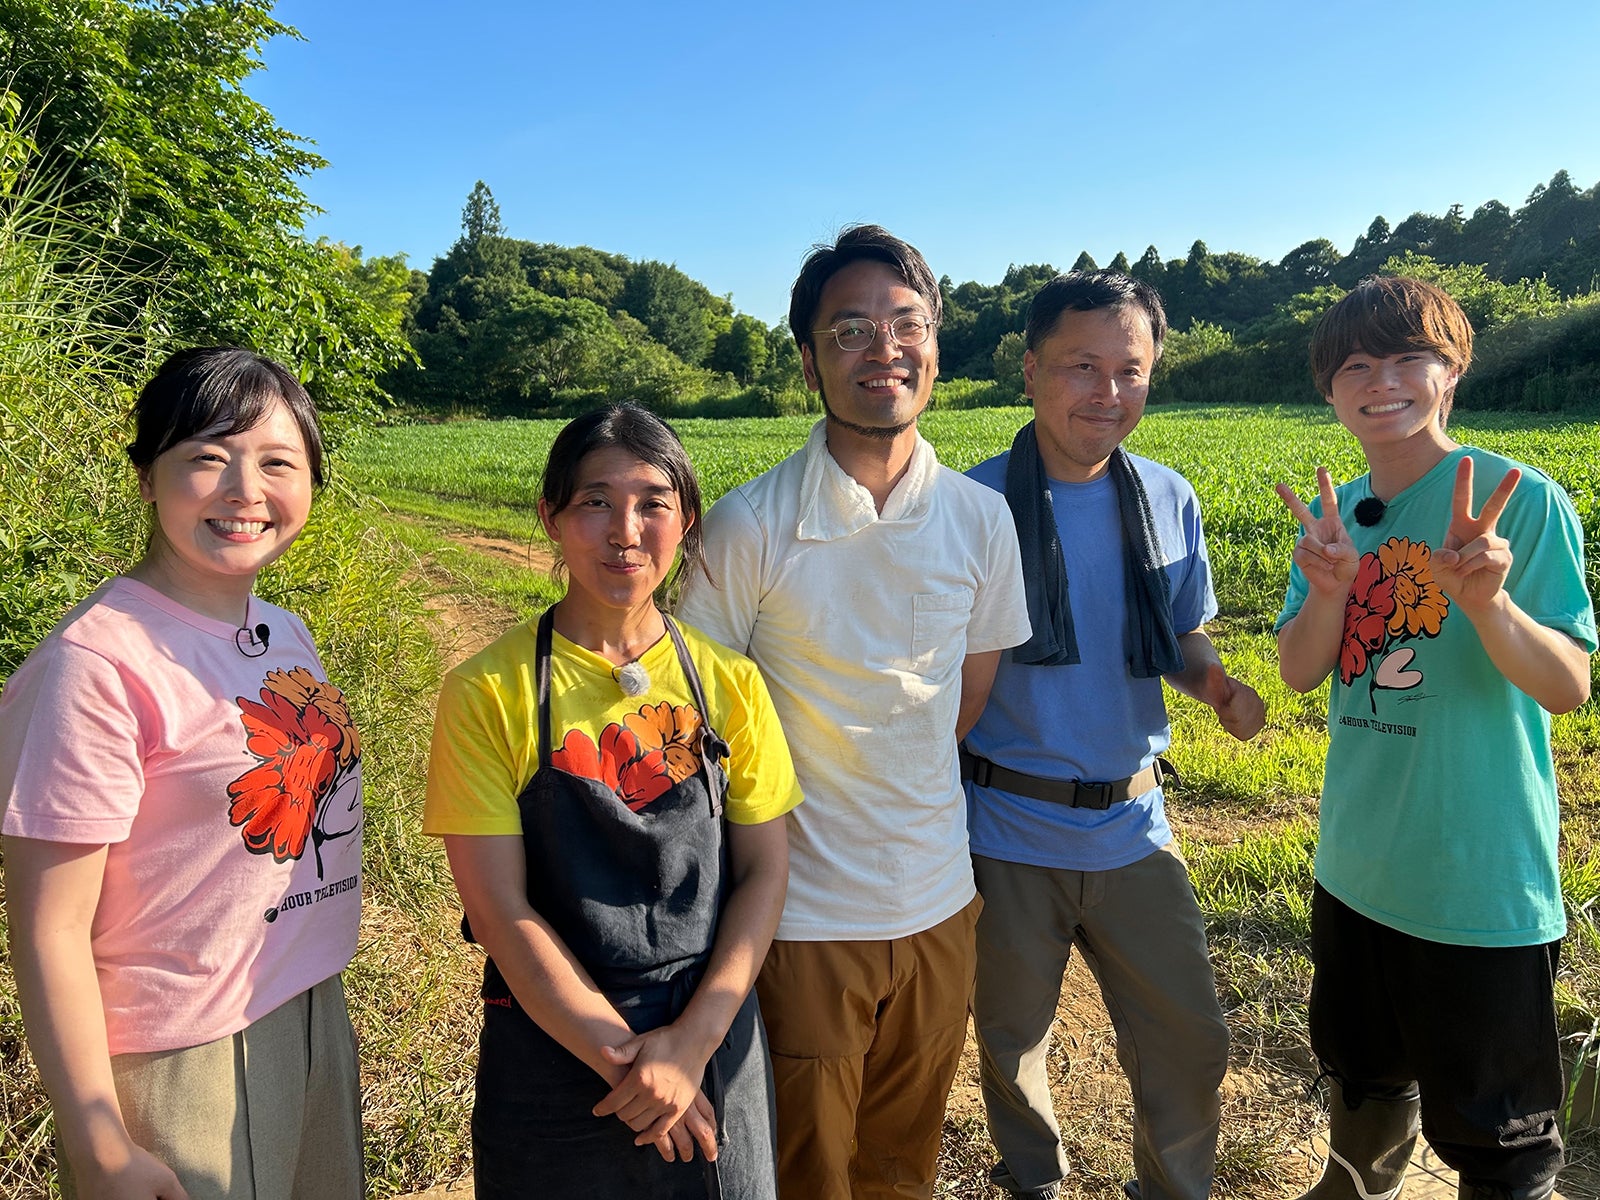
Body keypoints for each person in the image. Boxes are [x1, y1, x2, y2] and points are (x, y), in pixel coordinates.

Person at [676, 224, 1031, 1200]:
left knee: (901, 1165)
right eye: (851, 330)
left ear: (935, 345)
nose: (885, 348)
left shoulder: (977, 518)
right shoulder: (751, 524)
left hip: (938, 904)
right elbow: (698, 721)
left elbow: (964, 694)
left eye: (906, 324)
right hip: (801, 921)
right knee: (806, 1171)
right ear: (807, 361)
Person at [0, 347, 365, 1200]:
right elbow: (48, 929)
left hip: (308, 1004)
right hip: (178, 1059)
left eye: (278, 462)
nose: (245, 490)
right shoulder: (93, 666)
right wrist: (97, 1144)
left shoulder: (283, 630)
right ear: (146, 478)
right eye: (206, 457)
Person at [424, 402, 800, 1199]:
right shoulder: (487, 690)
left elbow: (765, 871)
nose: (624, 530)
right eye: (594, 501)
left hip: (711, 1026)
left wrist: (692, 1044)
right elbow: (498, 909)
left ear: (686, 520)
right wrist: (634, 1066)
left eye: (652, 503)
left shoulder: (729, 683)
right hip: (556, 1039)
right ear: (551, 518)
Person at [1275, 276, 1595, 1200]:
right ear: (1331, 392)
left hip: (1477, 878)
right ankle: (1355, 1187)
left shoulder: (1518, 502)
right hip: (1357, 864)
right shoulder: (1338, 519)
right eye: (1355, 366)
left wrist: (1489, 604)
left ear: (1451, 371)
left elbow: (1567, 686)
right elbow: (1301, 671)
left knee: (1500, 1140)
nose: (1382, 381)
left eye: (1407, 357)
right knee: (1361, 1074)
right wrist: (1329, 591)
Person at [962, 270, 1264, 1200]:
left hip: (1133, 822)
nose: (1107, 392)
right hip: (1006, 826)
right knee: (1013, 1038)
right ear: (1030, 371)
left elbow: (1176, 636)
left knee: (1189, 1032)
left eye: (1129, 370)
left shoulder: (1168, 497)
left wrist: (1214, 684)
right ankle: (1035, 1183)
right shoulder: (970, 507)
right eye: (1080, 366)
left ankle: (1172, 1190)